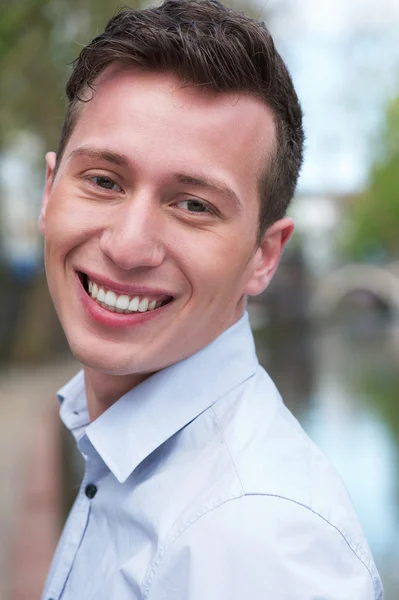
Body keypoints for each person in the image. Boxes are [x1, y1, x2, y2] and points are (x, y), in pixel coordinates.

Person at [39, 1, 383, 598]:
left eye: (193, 204)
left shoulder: (262, 544)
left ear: (264, 257)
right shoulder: (116, 448)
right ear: (50, 192)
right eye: (103, 181)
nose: (127, 246)